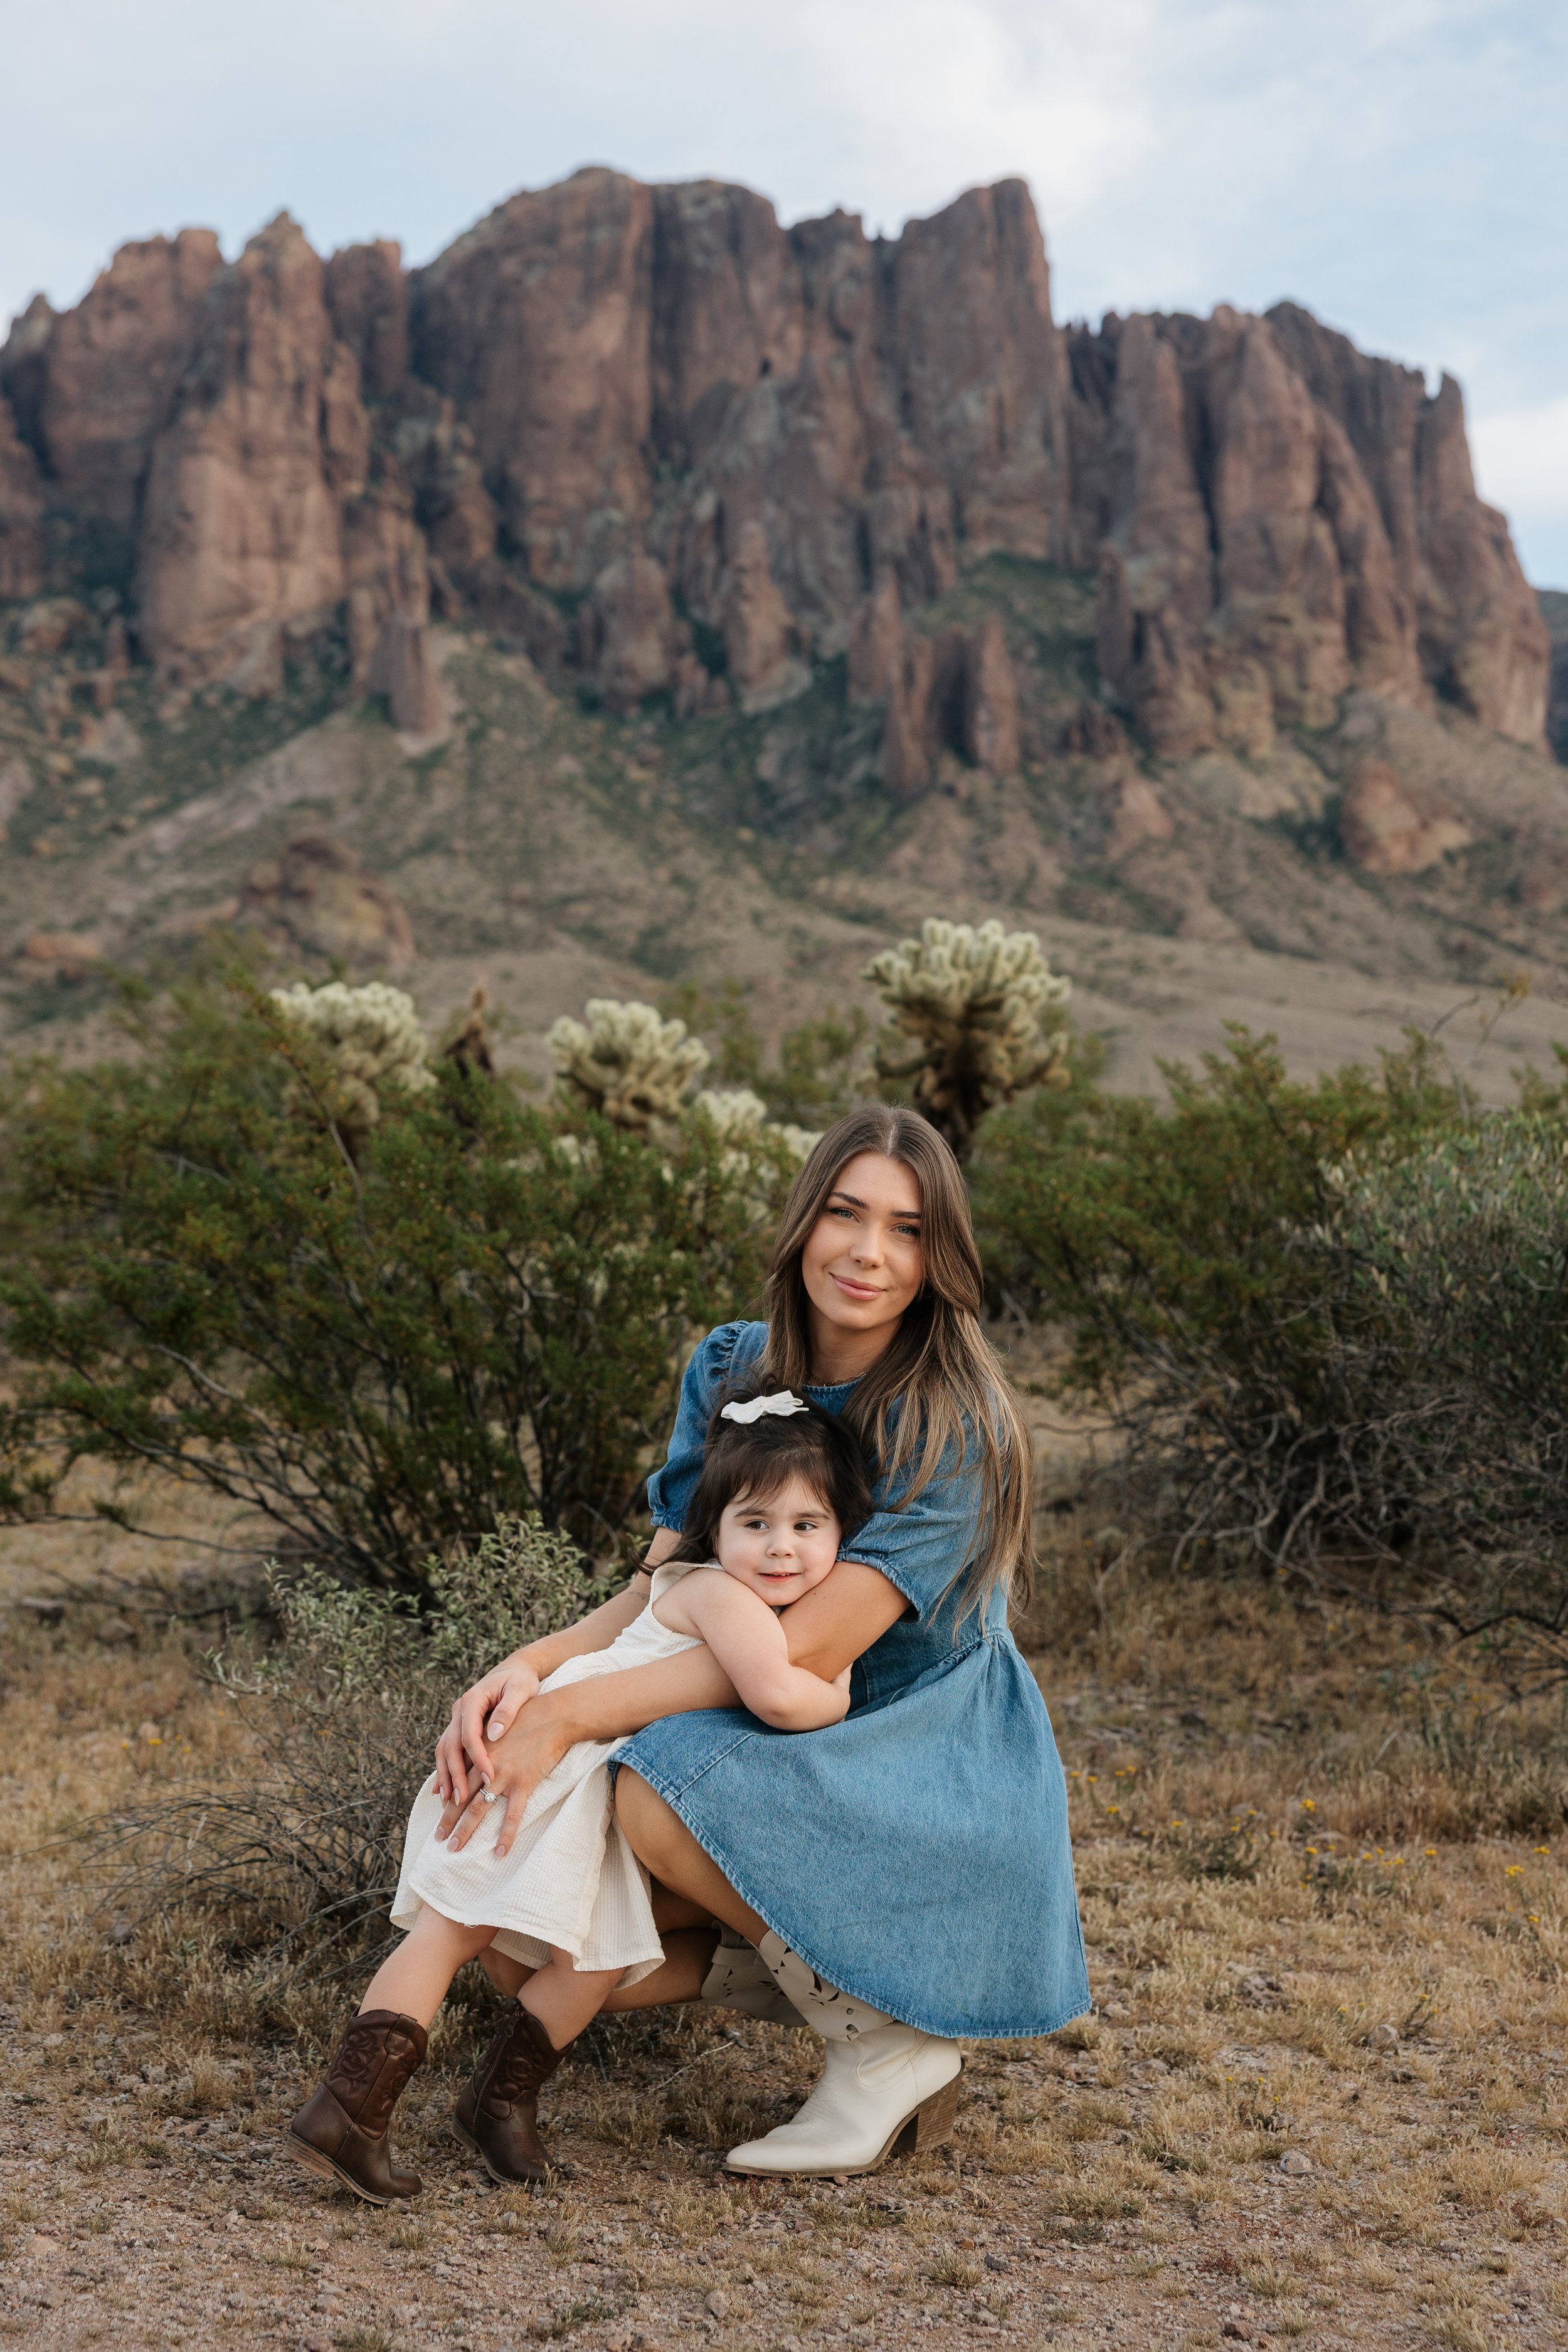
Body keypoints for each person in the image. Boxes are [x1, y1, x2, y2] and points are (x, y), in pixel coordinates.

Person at [432, 1104, 1091, 2180]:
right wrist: (527, 1669)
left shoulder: (951, 1423)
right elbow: (665, 1591)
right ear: (804, 1221)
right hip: (780, 1721)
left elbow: (804, 1652)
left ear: (941, 1256)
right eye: (845, 1213)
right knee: (532, 1939)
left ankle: (879, 2044)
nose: (870, 1252)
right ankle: (864, 1995)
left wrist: (571, 1715)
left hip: (916, 1749)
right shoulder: (732, 1362)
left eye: (909, 1229)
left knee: (651, 1788)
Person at [284, 1394, 872, 2203]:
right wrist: (837, 1687)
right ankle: (349, 2107)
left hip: (580, 1801)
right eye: (756, 1521)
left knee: (592, 1958)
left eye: (809, 1525)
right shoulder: (715, 1592)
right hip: (544, 1776)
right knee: (455, 1927)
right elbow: (776, 1696)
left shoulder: (727, 1594)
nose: (781, 1546)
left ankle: (498, 2103)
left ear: (843, 1532)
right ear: (715, 1526)